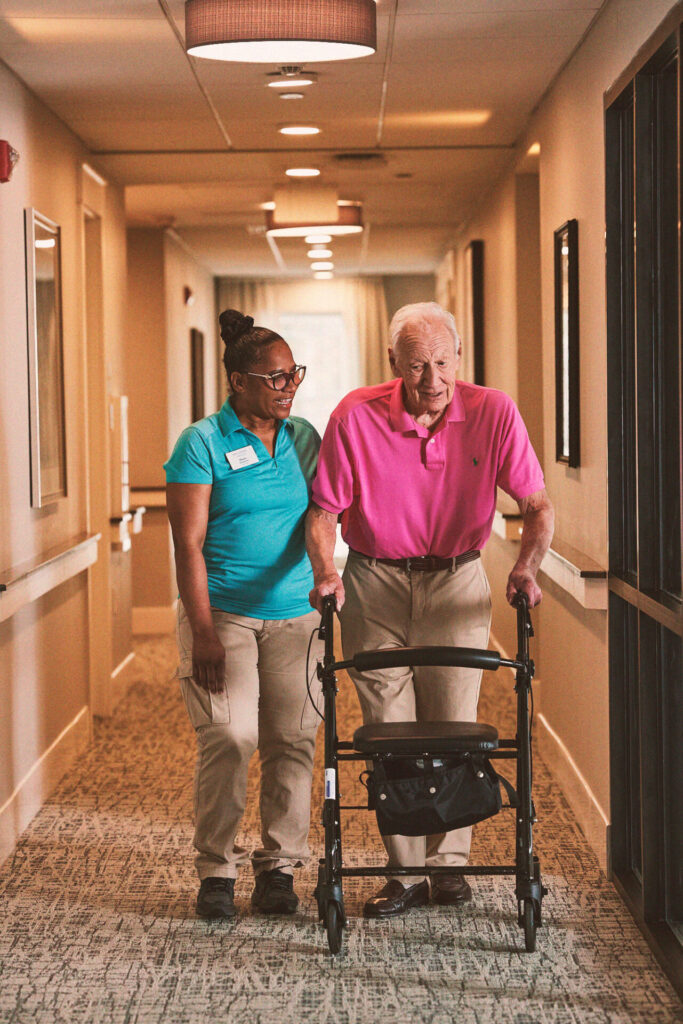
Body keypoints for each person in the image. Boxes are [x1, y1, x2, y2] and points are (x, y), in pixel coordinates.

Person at [306, 301, 554, 919]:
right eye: (418, 366)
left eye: (443, 363)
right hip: (375, 582)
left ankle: (449, 867)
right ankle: (404, 872)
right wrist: (326, 572)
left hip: (456, 580)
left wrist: (526, 567)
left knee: (453, 727)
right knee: (389, 733)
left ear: (460, 356)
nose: (433, 380)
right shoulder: (354, 415)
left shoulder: (494, 411)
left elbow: (537, 506)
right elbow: (324, 513)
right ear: (394, 362)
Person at [165, 309, 323, 921]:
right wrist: (203, 631)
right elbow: (187, 546)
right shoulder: (201, 442)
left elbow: (326, 513)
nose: (289, 387)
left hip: (296, 615)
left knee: (293, 740)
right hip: (223, 614)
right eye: (275, 378)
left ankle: (280, 866)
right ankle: (216, 869)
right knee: (230, 737)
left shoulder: (304, 438)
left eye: (293, 374)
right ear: (239, 381)